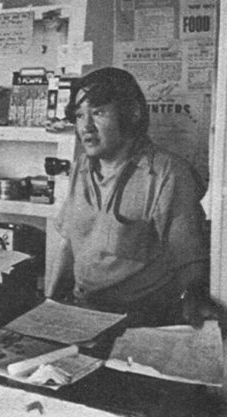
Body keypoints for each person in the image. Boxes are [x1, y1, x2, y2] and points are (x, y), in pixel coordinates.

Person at [44, 67, 215, 327]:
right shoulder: (81, 166)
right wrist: (51, 305)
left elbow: (191, 263)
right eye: (79, 116)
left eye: (98, 112)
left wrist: (193, 304)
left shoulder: (167, 173)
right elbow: (70, 245)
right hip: (83, 312)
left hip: (139, 321)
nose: (85, 127)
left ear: (132, 113)